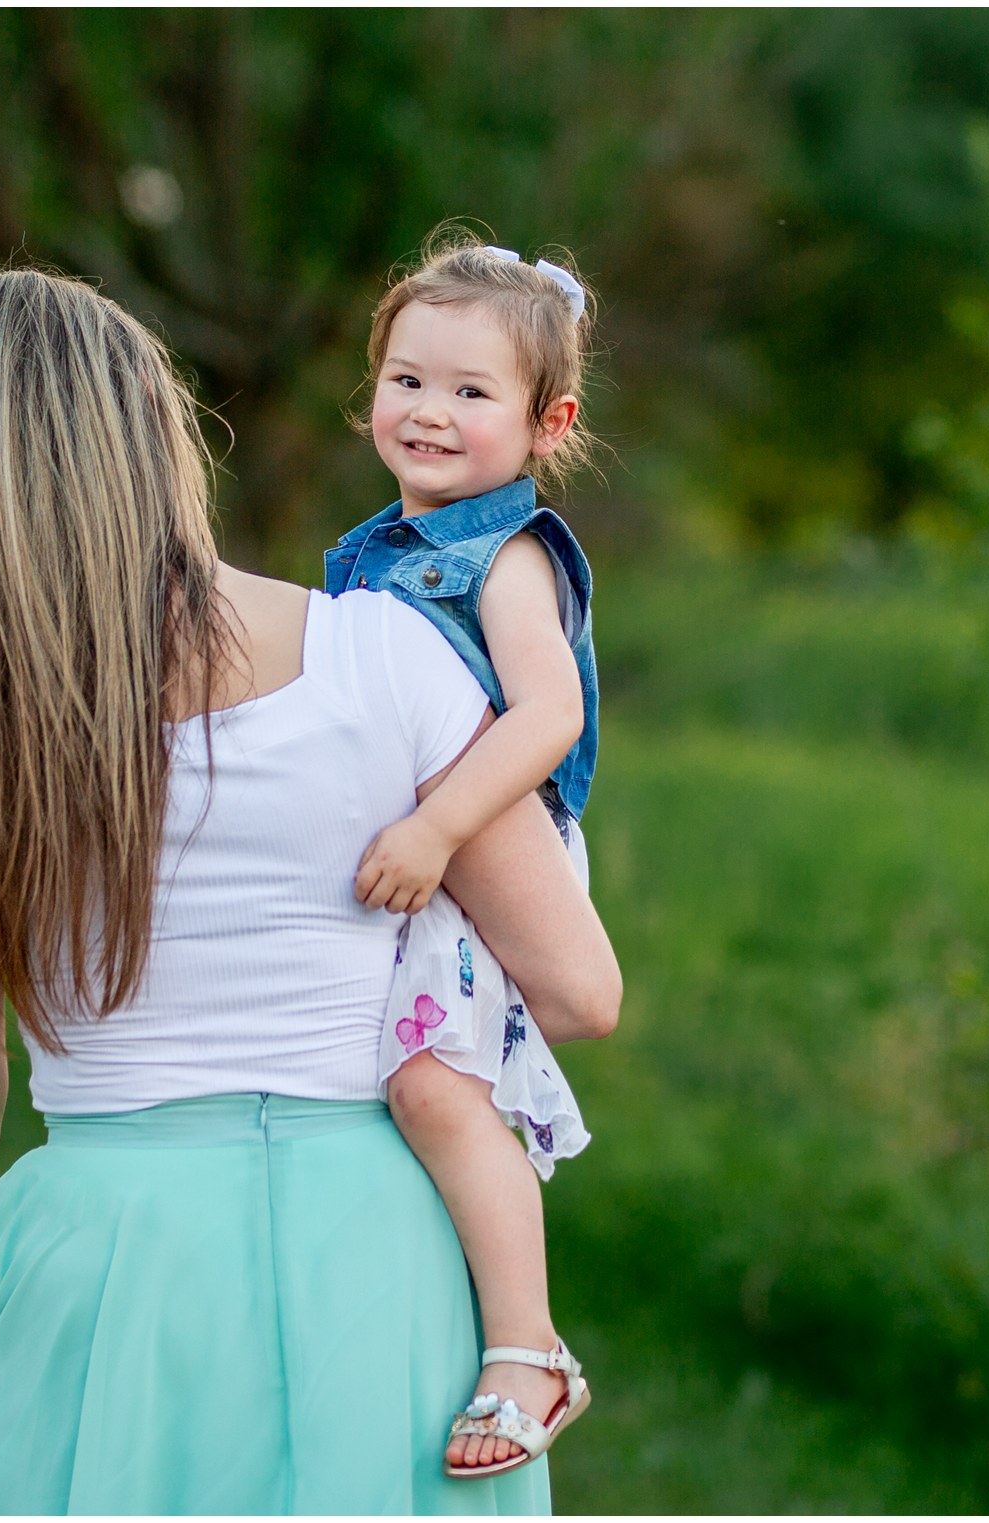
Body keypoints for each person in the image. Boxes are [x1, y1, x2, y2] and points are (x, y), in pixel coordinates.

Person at [0, 266, 621, 1515]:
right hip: (383, 1260)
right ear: (162, 428)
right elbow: (576, 988)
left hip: (110, 1262)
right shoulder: (391, 646)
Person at [325, 232, 606, 1478]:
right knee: (387, 1082)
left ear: (549, 423)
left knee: (439, 1089)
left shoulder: (511, 554)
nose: (429, 412)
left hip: (492, 847)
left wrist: (441, 827)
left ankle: (530, 1349)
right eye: (408, 379)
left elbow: (547, 716)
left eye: (470, 391)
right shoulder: (371, 546)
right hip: (415, 857)